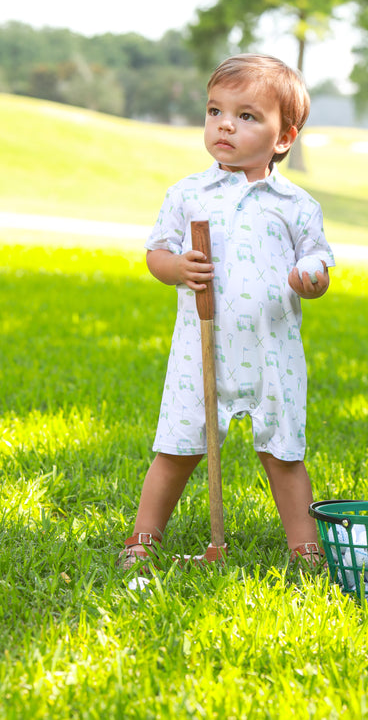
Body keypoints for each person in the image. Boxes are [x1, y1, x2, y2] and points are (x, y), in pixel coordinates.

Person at [120, 53, 335, 569]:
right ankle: (143, 540)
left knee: (284, 452)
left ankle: (305, 549)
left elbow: (318, 257)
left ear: (283, 138)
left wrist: (312, 277)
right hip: (202, 351)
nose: (224, 125)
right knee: (178, 446)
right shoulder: (189, 193)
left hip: (271, 353)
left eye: (246, 116)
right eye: (215, 111)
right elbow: (156, 253)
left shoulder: (296, 204)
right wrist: (177, 269)